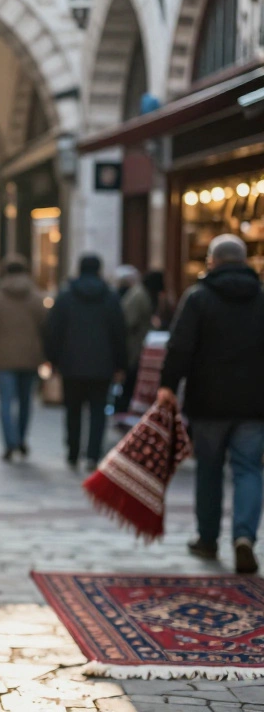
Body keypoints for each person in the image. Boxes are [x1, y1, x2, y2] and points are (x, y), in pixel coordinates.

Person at [158, 235, 264, 574]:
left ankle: (207, 538)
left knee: (209, 468)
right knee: (249, 469)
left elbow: (180, 347)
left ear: (212, 262)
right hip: (254, 403)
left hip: (208, 401)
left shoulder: (198, 298)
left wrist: (168, 386)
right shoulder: (261, 298)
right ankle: (244, 536)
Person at [44, 254, 126, 471]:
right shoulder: (110, 297)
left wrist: (52, 360)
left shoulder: (65, 297)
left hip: (71, 365)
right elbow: (119, 333)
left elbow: (54, 331)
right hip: (103, 365)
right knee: (99, 411)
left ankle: (73, 452)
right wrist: (121, 364)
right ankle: (92, 454)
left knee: (73, 410)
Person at [0, 254, 45, 461]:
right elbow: (45, 327)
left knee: (6, 402)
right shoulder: (36, 297)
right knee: (26, 401)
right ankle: (22, 439)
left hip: (3, 358)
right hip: (31, 357)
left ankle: (9, 443)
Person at [117, 270, 165, 416]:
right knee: (129, 382)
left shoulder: (140, 294)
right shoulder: (140, 296)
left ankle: (123, 411)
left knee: (130, 382)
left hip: (136, 345)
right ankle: (122, 411)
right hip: (134, 346)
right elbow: (128, 321)